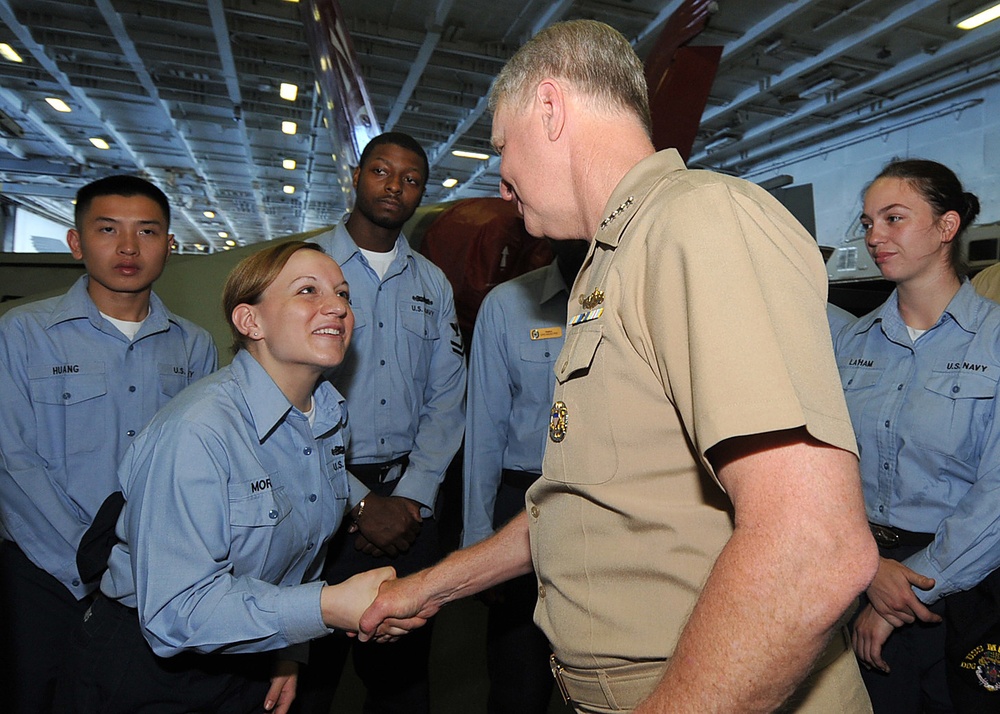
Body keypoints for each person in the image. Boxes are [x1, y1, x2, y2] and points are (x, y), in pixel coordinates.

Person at [361, 19, 878, 714]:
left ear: (550, 108)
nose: (502, 185)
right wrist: (433, 586)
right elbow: (587, 502)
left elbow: (813, 547)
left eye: (501, 148)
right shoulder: (613, 261)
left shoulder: (697, 222)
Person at [54, 241, 408, 714]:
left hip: (251, 650)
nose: (337, 308)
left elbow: (303, 553)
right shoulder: (198, 430)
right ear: (250, 322)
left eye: (343, 294)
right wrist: (321, 609)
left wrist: (288, 647)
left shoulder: (326, 417)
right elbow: (174, 612)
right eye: (308, 290)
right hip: (152, 669)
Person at [0, 175, 218, 714]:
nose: (127, 248)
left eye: (147, 231)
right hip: (43, 574)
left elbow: (199, 466)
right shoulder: (23, 333)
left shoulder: (195, 346)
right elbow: (12, 459)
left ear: (169, 243)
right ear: (77, 243)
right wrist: (92, 562)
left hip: (151, 577)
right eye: (107, 230)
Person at [297, 132, 467, 714]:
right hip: (320, 496)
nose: (394, 186)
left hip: (410, 508)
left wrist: (414, 495)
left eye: (411, 178)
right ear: (357, 176)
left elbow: (448, 397)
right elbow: (283, 397)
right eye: (381, 171)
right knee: (305, 678)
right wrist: (361, 504)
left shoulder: (432, 284)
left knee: (401, 681)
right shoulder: (304, 270)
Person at [835, 159, 1000, 712]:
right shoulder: (850, 344)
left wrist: (900, 593)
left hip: (967, 588)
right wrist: (871, 572)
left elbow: (997, 493)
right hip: (861, 574)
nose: (874, 236)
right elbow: (825, 468)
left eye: (894, 218)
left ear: (947, 226)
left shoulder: (993, 343)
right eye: (867, 222)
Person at [463, 239, 587, 714]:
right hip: (525, 504)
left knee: (618, 674)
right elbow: (484, 431)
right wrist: (478, 540)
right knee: (519, 679)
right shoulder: (508, 305)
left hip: (611, 503)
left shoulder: (635, 291)